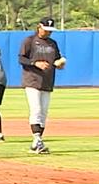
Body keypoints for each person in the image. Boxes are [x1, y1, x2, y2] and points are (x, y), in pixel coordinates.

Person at [18, 17, 66, 154]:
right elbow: (21, 58)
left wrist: (60, 64)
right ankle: (37, 139)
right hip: (32, 80)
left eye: (50, 30)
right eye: (46, 30)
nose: (48, 33)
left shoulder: (52, 43)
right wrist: (35, 63)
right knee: (36, 109)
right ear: (39, 27)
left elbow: (57, 59)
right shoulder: (30, 41)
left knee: (44, 112)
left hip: (47, 81)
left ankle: (36, 143)